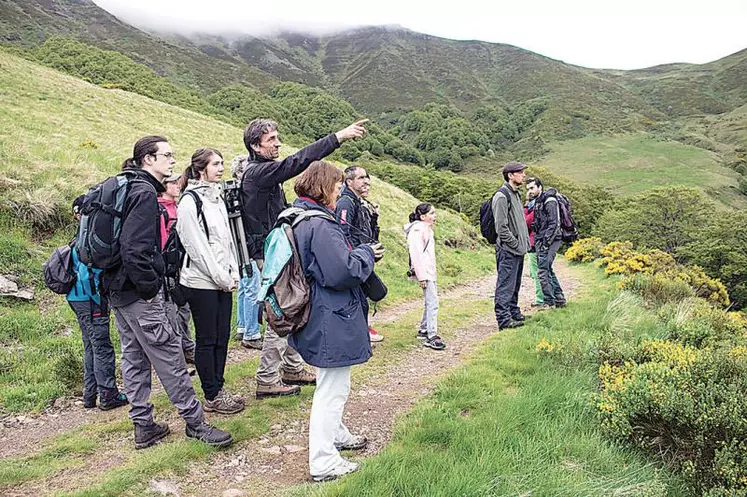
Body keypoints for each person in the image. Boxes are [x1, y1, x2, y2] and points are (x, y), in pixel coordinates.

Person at [105, 136, 232, 449]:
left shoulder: (125, 185)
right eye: (167, 155)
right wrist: (150, 289)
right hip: (139, 293)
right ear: (148, 159)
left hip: (118, 291)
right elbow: (135, 249)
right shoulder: (144, 191)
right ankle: (196, 423)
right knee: (170, 358)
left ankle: (143, 425)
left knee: (134, 359)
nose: (173, 161)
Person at [240, 117, 368, 399]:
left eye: (277, 137)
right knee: (284, 309)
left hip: (277, 252)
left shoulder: (259, 172)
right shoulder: (258, 174)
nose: (278, 143)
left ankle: (292, 366)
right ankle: (267, 378)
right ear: (255, 146)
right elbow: (296, 162)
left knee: (296, 303)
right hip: (270, 256)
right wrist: (338, 137)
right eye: (271, 140)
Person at [286, 161, 383, 481]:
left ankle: (337, 434)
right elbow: (342, 272)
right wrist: (367, 253)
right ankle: (324, 461)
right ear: (323, 186)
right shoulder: (321, 225)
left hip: (311, 310)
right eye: (337, 186)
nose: (340, 191)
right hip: (330, 314)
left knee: (332, 382)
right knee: (332, 388)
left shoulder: (296, 216)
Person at [177, 148, 243, 415]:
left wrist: (233, 272)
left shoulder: (217, 198)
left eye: (222, 163)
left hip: (222, 280)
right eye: (216, 163)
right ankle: (212, 394)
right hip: (200, 282)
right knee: (207, 338)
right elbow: (197, 247)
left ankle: (219, 387)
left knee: (222, 336)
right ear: (201, 168)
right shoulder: (190, 202)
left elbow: (226, 240)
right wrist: (220, 277)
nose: (221, 167)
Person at [68, 196, 128, 411]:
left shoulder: (79, 235)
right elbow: (86, 275)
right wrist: (99, 298)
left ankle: (90, 395)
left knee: (90, 346)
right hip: (90, 299)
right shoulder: (89, 237)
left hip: (77, 298)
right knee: (102, 346)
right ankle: (108, 395)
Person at [335, 165, 383, 343]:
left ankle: (361, 331)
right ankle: (359, 333)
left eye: (367, 177)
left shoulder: (358, 203)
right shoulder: (346, 203)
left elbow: (364, 232)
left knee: (364, 296)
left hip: (362, 258)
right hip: (355, 260)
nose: (367, 181)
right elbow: (343, 232)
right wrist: (354, 257)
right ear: (349, 182)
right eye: (361, 178)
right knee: (359, 298)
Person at [158, 173, 196, 371]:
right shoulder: (161, 210)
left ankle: (188, 348)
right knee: (170, 314)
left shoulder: (180, 207)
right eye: (172, 182)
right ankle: (178, 357)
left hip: (183, 268)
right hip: (168, 272)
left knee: (184, 310)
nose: (177, 185)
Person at [491, 162, 530, 330]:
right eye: (520, 173)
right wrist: (514, 243)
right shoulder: (502, 196)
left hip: (518, 249)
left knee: (515, 283)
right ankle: (504, 320)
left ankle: (513, 312)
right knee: (505, 284)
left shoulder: (515, 194)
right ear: (510, 176)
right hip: (508, 249)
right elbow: (501, 227)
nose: (523, 175)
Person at [231, 155, 262, 349]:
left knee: (244, 287)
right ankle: (251, 333)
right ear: (238, 173)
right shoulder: (241, 194)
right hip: (246, 245)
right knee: (252, 287)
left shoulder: (231, 192)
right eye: (245, 170)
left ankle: (242, 327)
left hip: (238, 246)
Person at [404, 203, 446, 350]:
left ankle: (424, 330)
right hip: (425, 273)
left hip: (429, 271)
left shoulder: (424, 229)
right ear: (423, 216)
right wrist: (421, 276)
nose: (435, 216)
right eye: (432, 213)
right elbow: (416, 254)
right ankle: (431, 335)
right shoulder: (417, 230)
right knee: (433, 302)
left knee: (430, 301)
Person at [527, 177, 567, 309]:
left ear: (540, 187)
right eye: (528, 189)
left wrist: (545, 242)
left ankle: (549, 302)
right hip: (542, 239)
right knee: (547, 269)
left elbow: (554, 224)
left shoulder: (549, 201)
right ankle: (559, 299)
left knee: (543, 270)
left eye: (532, 188)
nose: (530, 191)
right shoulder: (538, 201)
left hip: (551, 240)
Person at [524, 189, 545, 307]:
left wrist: (526, 206)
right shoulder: (540, 207)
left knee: (536, 273)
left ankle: (541, 299)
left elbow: (525, 221)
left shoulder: (535, 209)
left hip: (534, 244)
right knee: (541, 271)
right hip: (537, 243)